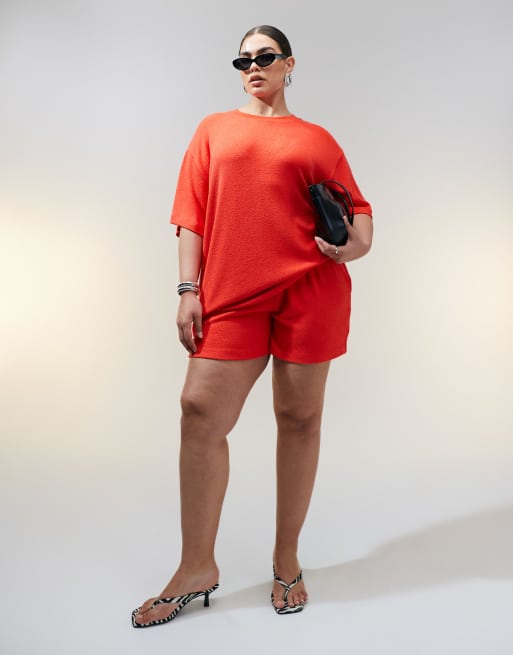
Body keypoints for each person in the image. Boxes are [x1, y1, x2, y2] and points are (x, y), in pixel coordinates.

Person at [132, 24, 373, 627]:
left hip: (310, 289)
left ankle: (286, 557)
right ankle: (196, 566)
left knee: (299, 419)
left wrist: (354, 245)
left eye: (265, 56)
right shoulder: (214, 129)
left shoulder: (316, 137)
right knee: (199, 412)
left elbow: (360, 212)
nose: (253, 67)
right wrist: (188, 289)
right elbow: (191, 215)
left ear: (290, 64)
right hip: (231, 293)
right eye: (243, 60)